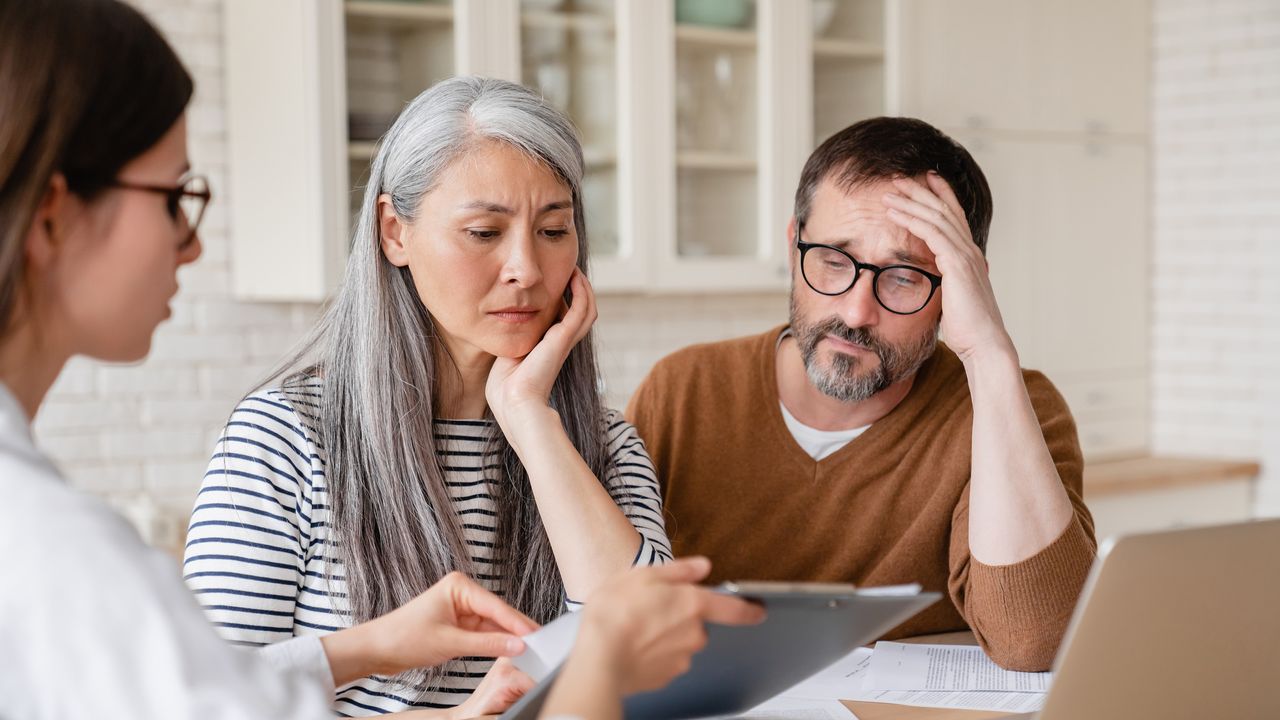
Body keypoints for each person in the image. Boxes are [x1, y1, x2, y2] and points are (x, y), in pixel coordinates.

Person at [0, 1, 541, 717]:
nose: (190, 243)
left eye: (556, 225)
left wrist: (372, 648)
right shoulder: (54, 547)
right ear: (52, 216)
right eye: (173, 198)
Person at [183, 76, 673, 715]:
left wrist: (529, 417)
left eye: (554, 231)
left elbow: (653, 659)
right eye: (483, 232)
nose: (526, 267)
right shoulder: (281, 437)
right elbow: (205, 700)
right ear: (394, 232)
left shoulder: (601, 446)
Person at [626, 117, 1098, 671]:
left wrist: (989, 357)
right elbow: (605, 613)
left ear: (963, 284)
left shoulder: (1013, 410)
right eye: (832, 260)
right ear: (793, 242)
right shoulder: (683, 391)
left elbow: (1038, 642)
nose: (856, 312)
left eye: (904, 277)